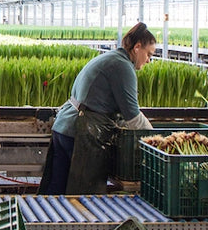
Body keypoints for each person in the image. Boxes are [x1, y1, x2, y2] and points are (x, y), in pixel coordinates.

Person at [40, 22, 157, 195]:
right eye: (149, 54)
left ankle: (44, 221)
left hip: (64, 127)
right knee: (84, 196)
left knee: (56, 191)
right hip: (81, 134)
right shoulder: (123, 66)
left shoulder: (111, 58)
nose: (149, 60)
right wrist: (156, 141)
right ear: (137, 47)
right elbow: (133, 117)